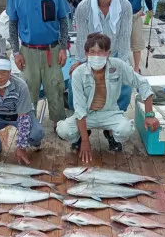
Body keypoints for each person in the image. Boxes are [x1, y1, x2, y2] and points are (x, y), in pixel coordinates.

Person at [57, 33, 159, 162]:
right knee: (63, 130)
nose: (96, 56)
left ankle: (110, 134)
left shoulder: (118, 65)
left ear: (108, 53)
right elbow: (79, 108)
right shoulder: (78, 73)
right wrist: (85, 141)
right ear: (86, 54)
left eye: (101, 52)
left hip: (110, 112)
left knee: (125, 130)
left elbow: (142, 83)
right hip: (86, 114)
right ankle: (81, 135)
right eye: (92, 52)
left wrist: (149, 114)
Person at [67, 0, 133, 150]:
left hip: (114, 55)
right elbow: (81, 39)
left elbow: (123, 39)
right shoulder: (83, 7)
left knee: (124, 87)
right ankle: (83, 130)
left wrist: (118, 66)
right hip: (90, 55)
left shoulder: (126, 7)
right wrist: (80, 62)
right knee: (74, 83)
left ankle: (111, 131)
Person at [7, 0, 70, 129]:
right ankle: (30, 124)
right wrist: (16, 51)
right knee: (27, 90)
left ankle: (60, 124)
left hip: (53, 49)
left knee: (56, 88)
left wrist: (64, 47)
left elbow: (63, 20)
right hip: (27, 51)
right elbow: (12, 25)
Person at [0, 54, 45, 165]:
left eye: (4, 72)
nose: (0, 77)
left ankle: (33, 143)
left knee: (37, 132)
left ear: (10, 72)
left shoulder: (21, 85)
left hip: (19, 114)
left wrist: (21, 147)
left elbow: (23, 118)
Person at [116, 0, 153, 74]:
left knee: (122, 43)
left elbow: (116, 0)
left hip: (123, 17)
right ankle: (137, 68)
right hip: (137, 15)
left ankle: (123, 68)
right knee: (136, 44)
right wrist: (151, 10)